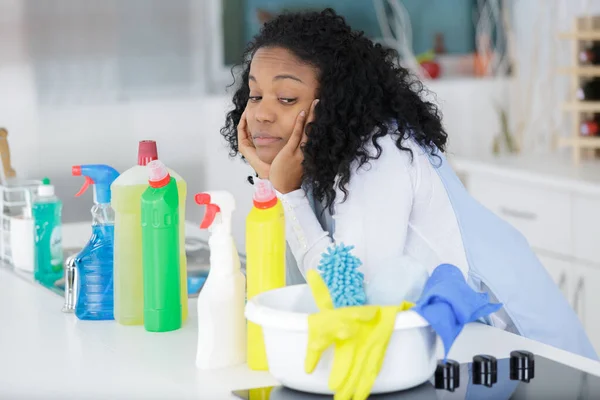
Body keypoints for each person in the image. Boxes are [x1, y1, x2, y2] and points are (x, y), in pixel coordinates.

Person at [220, 8, 598, 360]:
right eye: (254, 95)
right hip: (461, 350)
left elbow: (353, 302)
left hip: (529, 353)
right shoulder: (315, 161)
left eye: (286, 97)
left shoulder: (380, 153)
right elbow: (297, 286)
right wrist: (277, 184)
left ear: (331, 102)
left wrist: (287, 194)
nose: (261, 113)